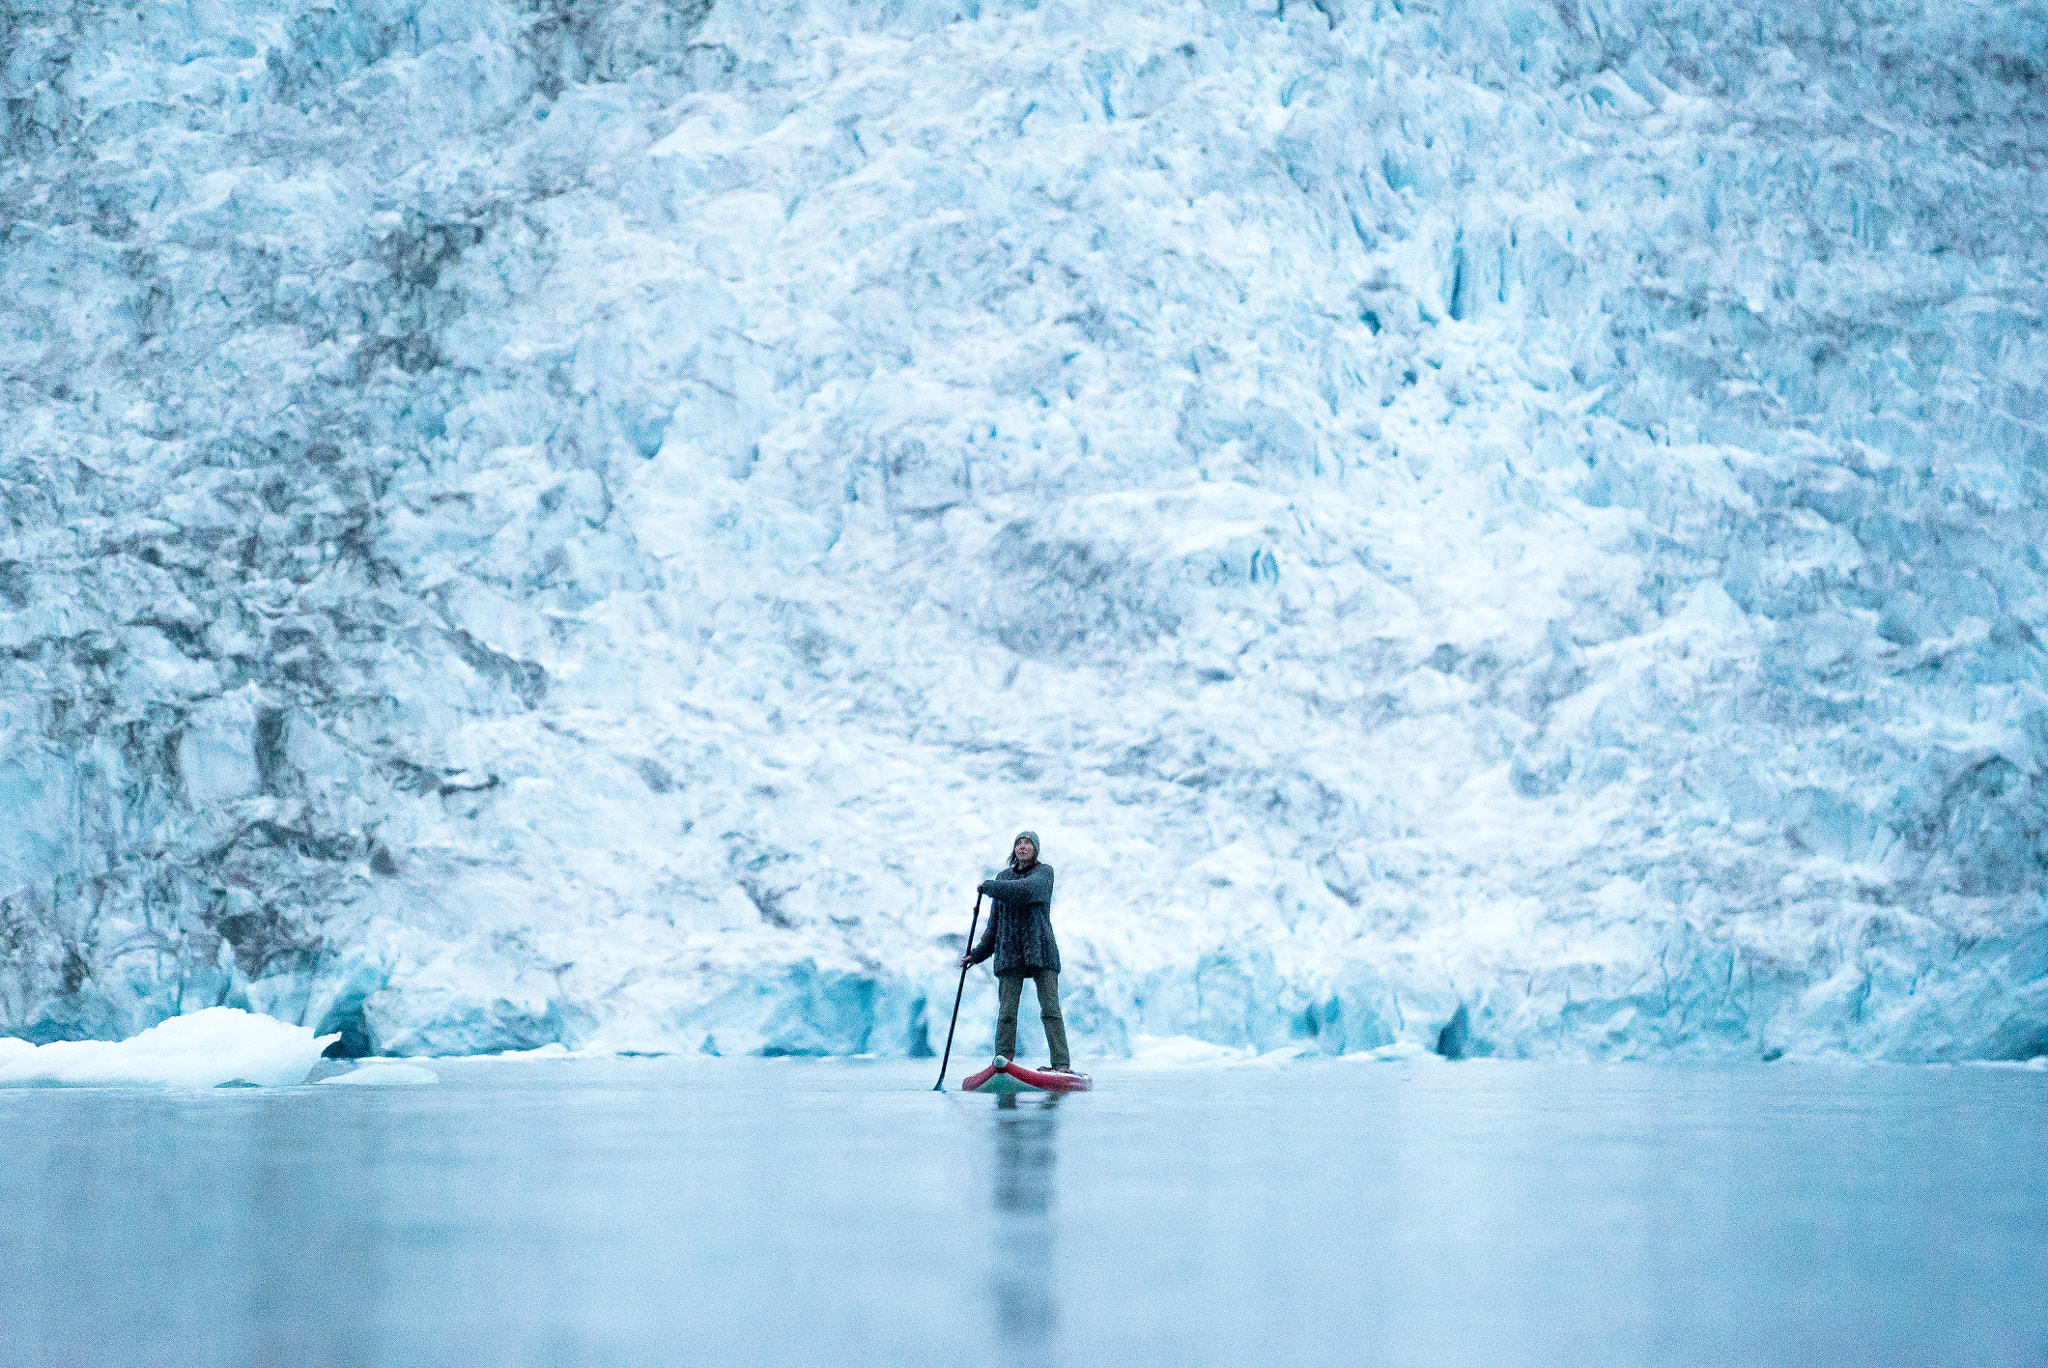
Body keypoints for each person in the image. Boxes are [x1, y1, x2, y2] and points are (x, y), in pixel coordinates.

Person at [960, 830, 1072, 1073]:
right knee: (1007, 1013)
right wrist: (977, 955)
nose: (1022, 847)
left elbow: (1026, 891)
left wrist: (991, 887)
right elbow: (995, 925)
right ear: (1014, 850)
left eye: (1027, 843)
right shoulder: (1002, 878)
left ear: (1036, 849)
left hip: (1041, 950)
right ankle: (1003, 1061)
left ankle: (1061, 1065)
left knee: (1050, 1010)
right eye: (1018, 843)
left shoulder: (1044, 873)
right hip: (1010, 953)